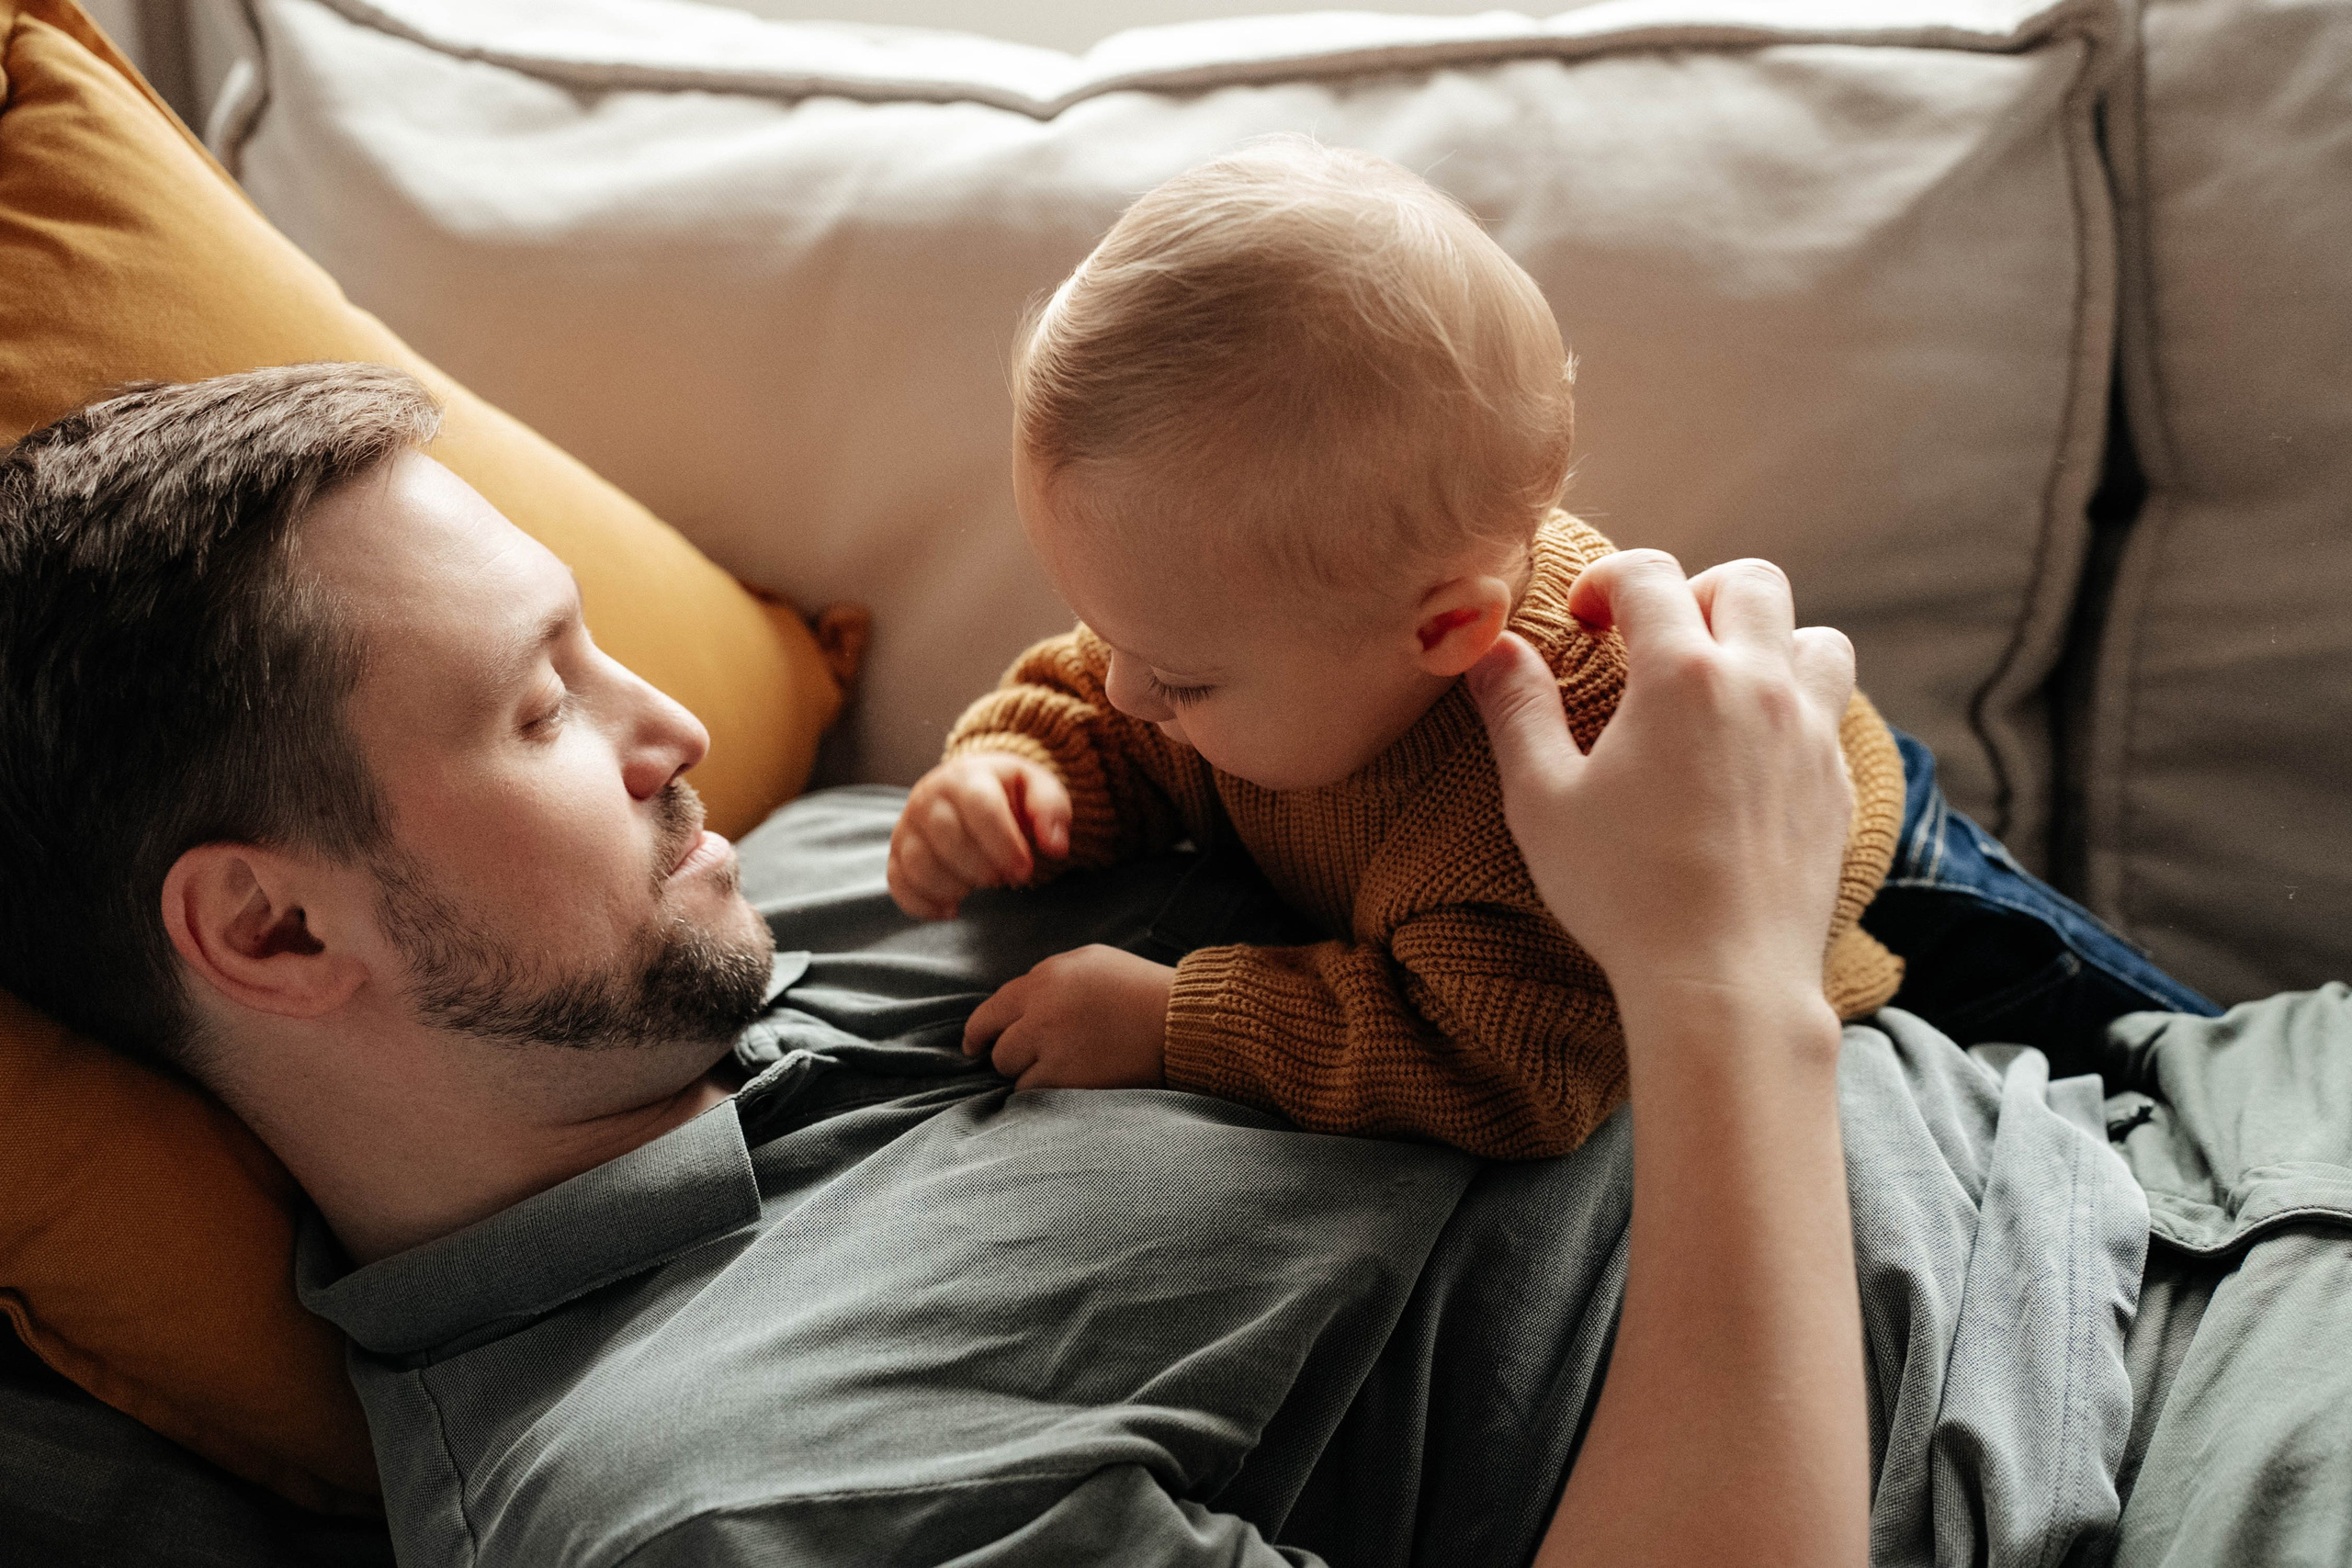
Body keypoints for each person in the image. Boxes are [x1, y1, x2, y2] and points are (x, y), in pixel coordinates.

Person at [4, 367, 2337, 1567]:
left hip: (2207, 1109)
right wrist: (1720, 975)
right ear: (270, 926)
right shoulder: (720, 1498)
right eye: (536, 707)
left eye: (598, 643)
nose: (669, 723)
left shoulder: (779, 890)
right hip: (2165, 1450)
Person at [888, 138, 1910, 1160]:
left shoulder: (1557, 807)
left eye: (1181, 680)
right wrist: (1011, 775)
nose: (1125, 692)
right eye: (1118, 640)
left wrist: (1174, 1021)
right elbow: (1099, 713)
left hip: (1881, 856)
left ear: (1442, 632)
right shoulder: (1260, 634)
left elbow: (1510, 1066)